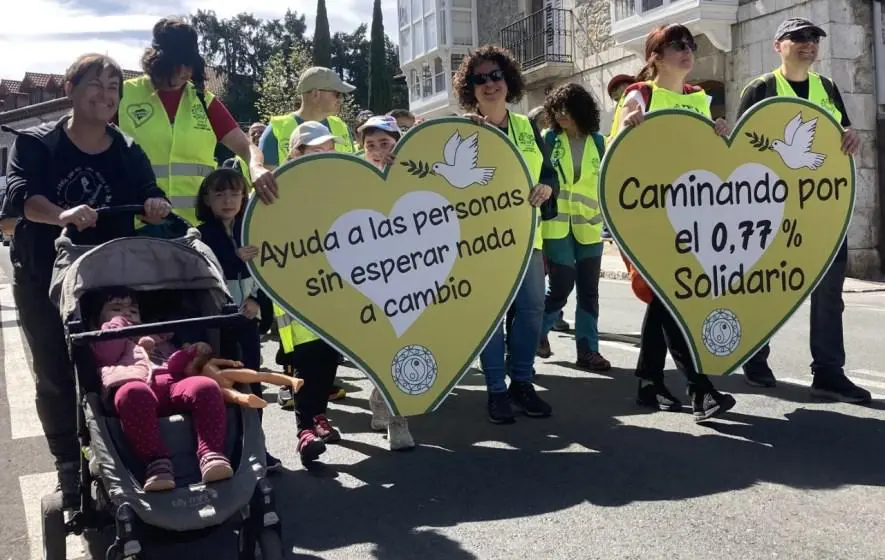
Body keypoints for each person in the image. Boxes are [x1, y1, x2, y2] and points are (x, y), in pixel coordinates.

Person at [2, 53, 170, 504]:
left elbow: (148, 190)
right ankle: (67, 463)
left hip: (105, 280)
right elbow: (21, 198)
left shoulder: (128, 149)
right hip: (43, 275)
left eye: (113, 87)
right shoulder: (37, 144)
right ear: (70, 90)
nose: (106, 94)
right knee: (55, 371)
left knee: (115, 364)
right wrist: (61, 214)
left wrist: (155, 204)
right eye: (95, 84)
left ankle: (124, 449)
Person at [735, 17, 870, 403]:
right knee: (765, 284)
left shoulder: (826, 87)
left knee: (829, 293)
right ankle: (755, 356)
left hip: (823, 209)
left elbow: (843, 133)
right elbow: (739, 150)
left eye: (813, 38)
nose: (808, 44)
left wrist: (851, 137)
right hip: (771, 212)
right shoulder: (761, 88)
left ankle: (828, 371)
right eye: (798, 38)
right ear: (779, 45)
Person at [613, 24, 736, 421]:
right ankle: (700, 389)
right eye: (675, 46)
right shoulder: (640, 94)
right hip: (648, 216)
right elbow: (619, 157)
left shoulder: (699, 98)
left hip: (691, 215)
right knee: (673, 297)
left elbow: (704, 159)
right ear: (655, 56)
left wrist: (720, 137)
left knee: (668, 299)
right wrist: (630, 123)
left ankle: (649, 382)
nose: (686, 51)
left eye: (690, 45)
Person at [453, 45, 558, 424]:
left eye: (495, 75)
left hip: (529, 241)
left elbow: (549, 175)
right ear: (471, 88)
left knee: (531, 313)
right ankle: (496, 389)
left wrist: (547, 190)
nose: (489, 84)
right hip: (484, 246)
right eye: (479, 79)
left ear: (508, 79)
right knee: (492, 317)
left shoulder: (527, 127)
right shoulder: (463, 130)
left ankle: (523, 383)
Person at [256, 66, 357, 403]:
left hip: (334, 232)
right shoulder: (279, 128)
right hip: (293, 234)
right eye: (335, 93)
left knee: (329, 306)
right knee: (292, 315)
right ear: (315, 94)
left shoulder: (341, 128)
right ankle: (292, 379)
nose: (340, 99)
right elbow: (266, 187)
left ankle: (321, 378)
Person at [86, 288, 233, 490]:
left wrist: (189, 354)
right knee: (133, 394)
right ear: (97, 318)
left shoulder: (157, 335)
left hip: (171, 383)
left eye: (132, 309)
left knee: (205, 386)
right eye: (116, 308)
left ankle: (211, 454)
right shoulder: (103, 339)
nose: (126, 312)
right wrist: (119, 325)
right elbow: (107, 355)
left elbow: (173, 364)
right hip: (133, 386)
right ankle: (157, 463)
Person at [117, 17, 252, 226]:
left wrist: (258, 167)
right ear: (156, 61)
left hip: (198, 228)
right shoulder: (123, 95)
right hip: (137, 225)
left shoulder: (203, 100)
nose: (183, 72)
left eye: (189, 65)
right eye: (176, 65)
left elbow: (246, 147)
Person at [194, 168, 285, 472]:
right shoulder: (199, 234)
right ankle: (226, 449)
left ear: (245, 197)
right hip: (218, 323)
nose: (228, 200)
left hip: (246, 320)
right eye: (219, 194)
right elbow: (206, 272)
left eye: (234, 193)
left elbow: (267, 269)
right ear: (207, 199)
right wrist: (236, 259)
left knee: (253, 380)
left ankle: (257, 446)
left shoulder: (252, 226)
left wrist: (257, 301)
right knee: (222, 384)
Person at [272, 121, 347, 464]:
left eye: (327, 151)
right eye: (315, 151)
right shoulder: (277, 191)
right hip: (297, 296)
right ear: (296, 154)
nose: (322, 157)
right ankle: (304, 429)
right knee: (305, 362)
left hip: (333, 291)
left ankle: (319, 416)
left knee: (329, 359)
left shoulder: (337, 187)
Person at [536, 83, 611, 372]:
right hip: (556, 225)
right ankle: (537, 332)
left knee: (589, 292)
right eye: (556, 108)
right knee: (562, 285)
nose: (561, 113)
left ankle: (588, 350)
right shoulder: (548, 139)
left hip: (590, 226)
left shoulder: (600, 142)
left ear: (582, 109)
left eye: (567, 107)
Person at [354, 115, 416, 451]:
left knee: (405, 343)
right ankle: (392, 412)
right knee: (384, 347)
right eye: (371, 145)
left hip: (412, 277)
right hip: (372, 282)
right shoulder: (354, 177)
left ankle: (392, 409)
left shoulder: (412, 173)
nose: (378, 151)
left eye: (385, 144)